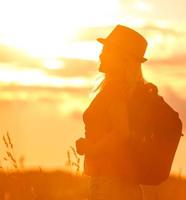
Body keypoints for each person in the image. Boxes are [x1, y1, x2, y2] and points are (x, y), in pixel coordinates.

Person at [75, 24, 148, 200]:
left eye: (107, 50)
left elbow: (122, 133)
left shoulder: (116, 91)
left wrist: (91, 149)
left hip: (110, 184)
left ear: (122, 59)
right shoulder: (127, 91)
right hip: (122, 183)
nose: (101, 55)